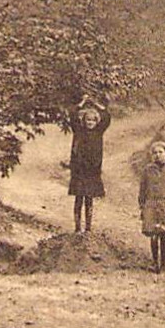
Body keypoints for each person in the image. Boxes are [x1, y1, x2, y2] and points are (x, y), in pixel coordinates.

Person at [67, 93, 111, 234]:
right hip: (79, 171)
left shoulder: (99, 132)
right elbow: (72, 114)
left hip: (92, 172)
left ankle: (88, 228)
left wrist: (95, 103)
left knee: (89, 200)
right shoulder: (78, 131)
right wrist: (83, 101)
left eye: (93, 120)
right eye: (87, 120)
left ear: (96, 122)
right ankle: (77, 227)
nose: (90, 123)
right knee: (78, 199)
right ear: (83, 121)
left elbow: (107, 116)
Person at [138, 141, 165, 273]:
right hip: (151, 205)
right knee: (153, 235)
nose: (158, 155)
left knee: (164, 234)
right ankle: (155, 262)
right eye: (155, 153)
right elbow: (142, 189)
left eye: (160, 152)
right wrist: (143, 206)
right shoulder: (147, 170)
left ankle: (163, 263)